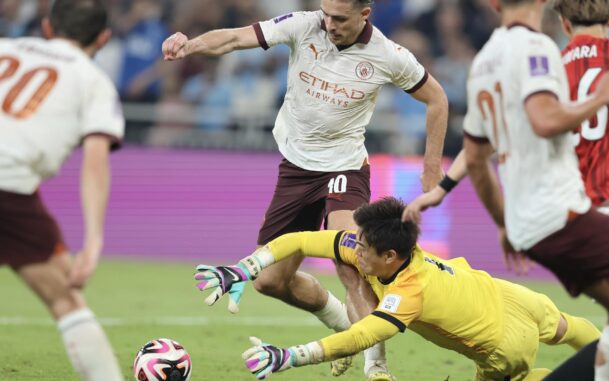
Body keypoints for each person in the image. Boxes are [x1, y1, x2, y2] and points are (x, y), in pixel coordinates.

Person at [162, 1, 449, 379]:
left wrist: (431, 170)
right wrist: (190, 44)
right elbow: (233, 39)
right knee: (269, 281)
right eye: (326, 13)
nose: (329, 24)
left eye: (340, 18)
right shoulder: (303, 25)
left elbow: (437, 99)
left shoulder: (388, 55)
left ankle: (376, 367)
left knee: (352, 263)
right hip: (295, 170)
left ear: (365, 13)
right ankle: (342, 324)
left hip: (344, 167)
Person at [460, 0, 609, 380]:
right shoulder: (541, 49)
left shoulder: (487, 62)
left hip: (532, 219)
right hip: (580, 209)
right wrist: (602, 96)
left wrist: (490, 215)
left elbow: (476, 157)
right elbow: (545, 121)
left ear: (562, 20)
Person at [194, 197, 601, 381]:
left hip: (498, 343)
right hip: (506, 294)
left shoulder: (407, 294)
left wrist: (290, 356)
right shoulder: (378, 247)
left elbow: (361, 335)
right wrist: (243, 269)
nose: (354, 254)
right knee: (567, 327)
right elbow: (299, 240)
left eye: (365, 250)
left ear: (390, 256)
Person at [0, 0, 125, 380]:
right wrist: (94, 241)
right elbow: (95, 161)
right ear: (103, 39)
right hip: (9, 190)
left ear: (47, 27)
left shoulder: (5, 46)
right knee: (66, 300)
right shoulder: (93, 81)